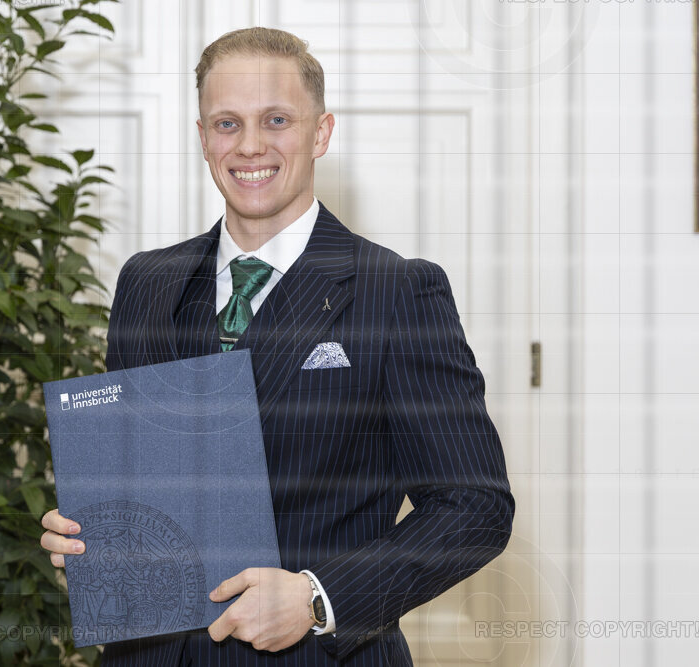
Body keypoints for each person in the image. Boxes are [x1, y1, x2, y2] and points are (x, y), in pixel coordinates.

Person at [40, 27, 514, 666]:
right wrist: (87, 534)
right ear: (203, 137)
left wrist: (320, 598)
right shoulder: (145, 282)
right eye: (227, 123)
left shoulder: (397, 291)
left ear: (321, 133)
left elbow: (475, 509)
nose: (250, 146)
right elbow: (138, 484)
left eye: (277, 120)